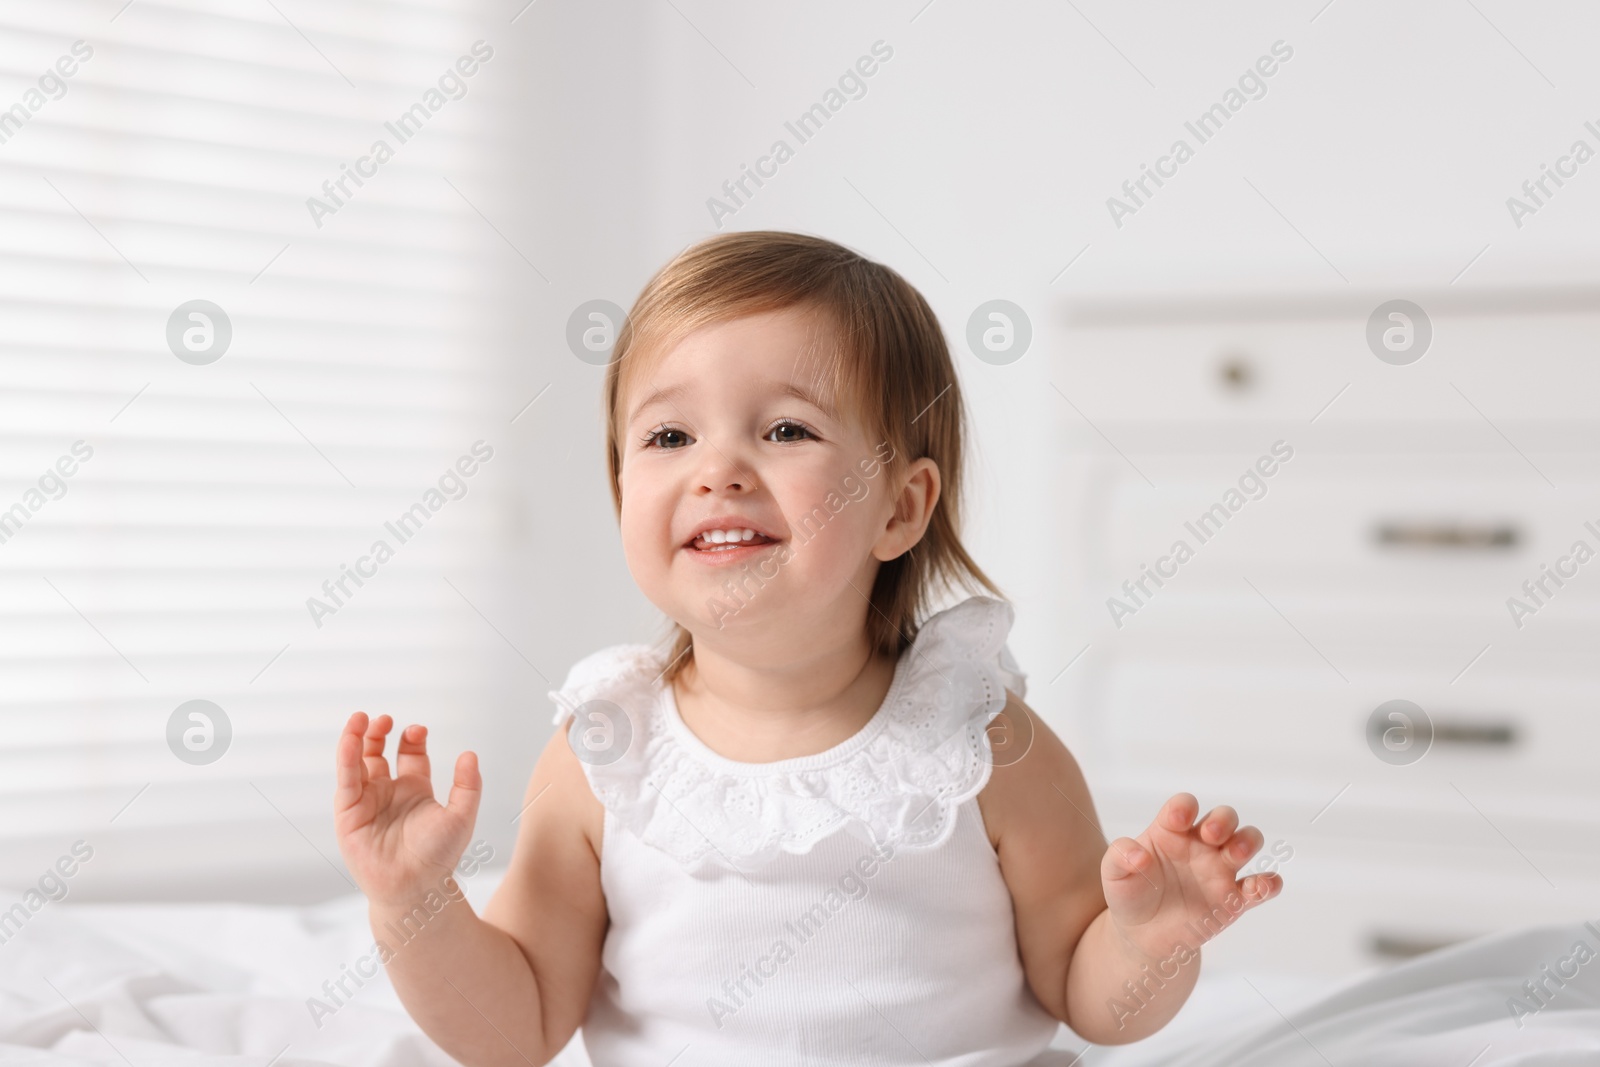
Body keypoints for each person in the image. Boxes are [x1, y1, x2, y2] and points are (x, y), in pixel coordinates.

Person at [332, 231, 1282, 1065]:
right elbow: (517, 1030)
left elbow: (1089, 997)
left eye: (785, 428)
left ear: (901, 508)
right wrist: (412, 901)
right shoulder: (606, 752)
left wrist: (1151, 943)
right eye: (668, 434)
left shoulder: (977, 741)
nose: (717, 471)